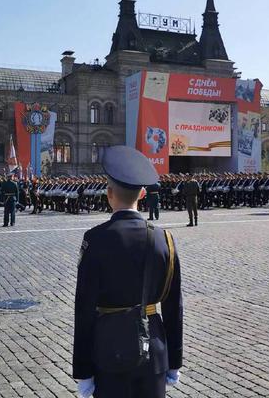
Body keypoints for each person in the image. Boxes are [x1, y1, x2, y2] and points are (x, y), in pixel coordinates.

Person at [73, 146, 183, 398]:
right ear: (143, 194)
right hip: (153, 348)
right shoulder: (163, 239)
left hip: (108, 347)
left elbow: (84, 307)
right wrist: (174, 361)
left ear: (109, 194)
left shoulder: (96, 239)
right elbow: (174, 305)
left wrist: (83, 370)